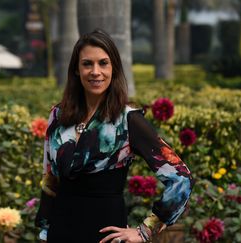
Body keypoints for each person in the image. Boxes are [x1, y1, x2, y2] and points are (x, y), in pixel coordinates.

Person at [35, 29, 193, 243]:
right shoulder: (58, 115)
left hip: (104, 234)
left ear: (114, 68)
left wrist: (145, 231)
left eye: (103, 63)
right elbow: (50, 179)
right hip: (60, 231)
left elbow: (181, 178)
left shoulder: (128, 120)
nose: (95, 71)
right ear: (75, 69)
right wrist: (45, 232)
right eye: (87, 64)